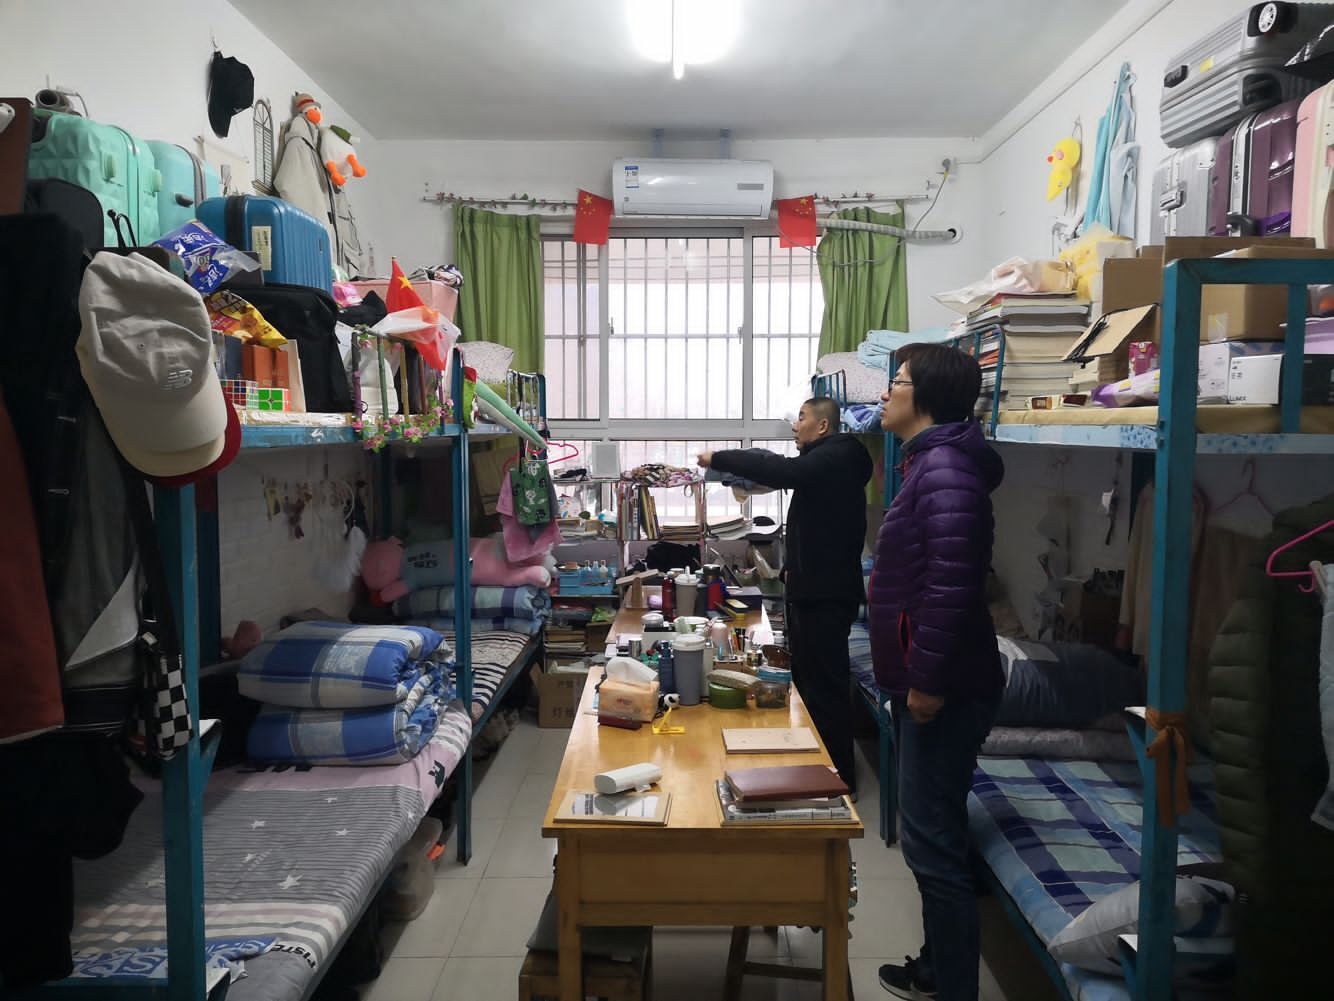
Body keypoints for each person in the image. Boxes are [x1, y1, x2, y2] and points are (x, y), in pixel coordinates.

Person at [869, 344, 1004, 1001]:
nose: (885, 392)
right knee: (934, 833)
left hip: (944, 688)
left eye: (896, 381)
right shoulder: (928, 462)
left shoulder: (944, 470)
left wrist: (924, 680)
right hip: (932, 681)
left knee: (933, 846)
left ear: (924, 397)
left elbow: (951, 589)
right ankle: (935, 967)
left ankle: (951, 987)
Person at [698, 397, 871, 793]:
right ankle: (816, 765)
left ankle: (839, 780)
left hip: (826, 595)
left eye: (802, 418)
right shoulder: (826, 462)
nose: (796, 426)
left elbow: (781, 470)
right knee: (809, 683)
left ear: (823, 426)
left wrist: (720, 457)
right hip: (811, 590)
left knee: (825, 688)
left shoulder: (838, 456)